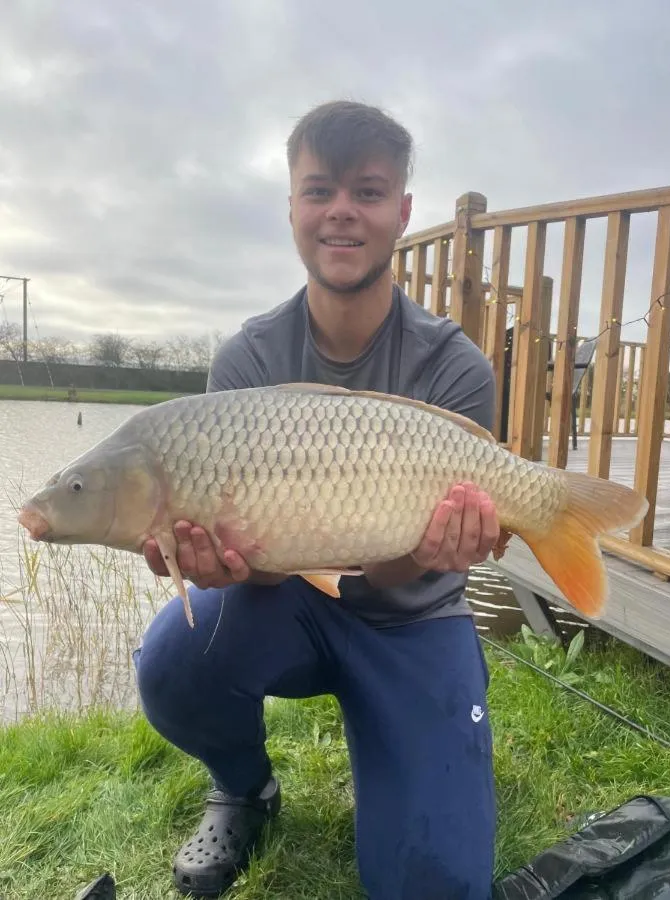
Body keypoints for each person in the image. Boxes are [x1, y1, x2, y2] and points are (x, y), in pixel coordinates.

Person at [134, 99, 502, 900]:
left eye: (367, 192)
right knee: (171, 658)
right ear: (292, 207)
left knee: (434, 887)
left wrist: (435, 549)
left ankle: (408, 763)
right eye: (319, 189)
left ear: (402, 211)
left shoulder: (458, 368)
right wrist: (230, 568)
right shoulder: (246, 360)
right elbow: (261, 570)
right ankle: (244, 786)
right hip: (290, 602)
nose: (342, 211)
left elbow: (411, 570)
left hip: (414, 614)